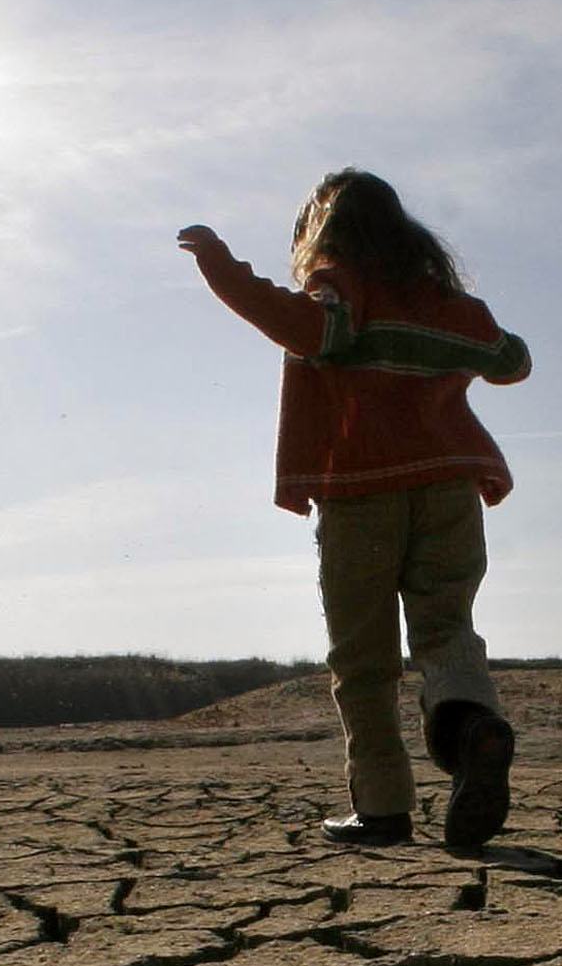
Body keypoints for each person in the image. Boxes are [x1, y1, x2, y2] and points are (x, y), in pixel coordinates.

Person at [177, 169, 531, 847]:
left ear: (327, 229)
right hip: (451, 489)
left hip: (362, 490)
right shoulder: (444, 302)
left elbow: (308, 329)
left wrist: (221, 267)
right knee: (446, 630)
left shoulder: (339, 286)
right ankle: (472, 732)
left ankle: (383, 805)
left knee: (363, 656)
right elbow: (511, 361)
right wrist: (459, 329)